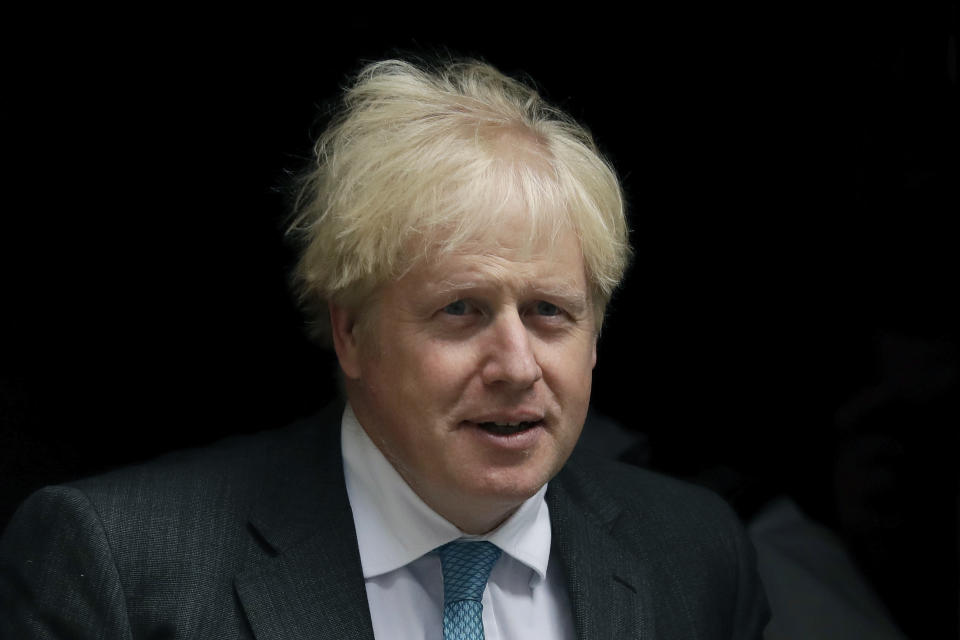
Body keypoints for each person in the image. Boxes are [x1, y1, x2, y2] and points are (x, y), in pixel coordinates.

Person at [1, 58, 768, 639]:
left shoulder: (697, 556)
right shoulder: (121, 567)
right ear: (351, 333)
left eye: (549, 312)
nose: (517, 365)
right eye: (460, 310)